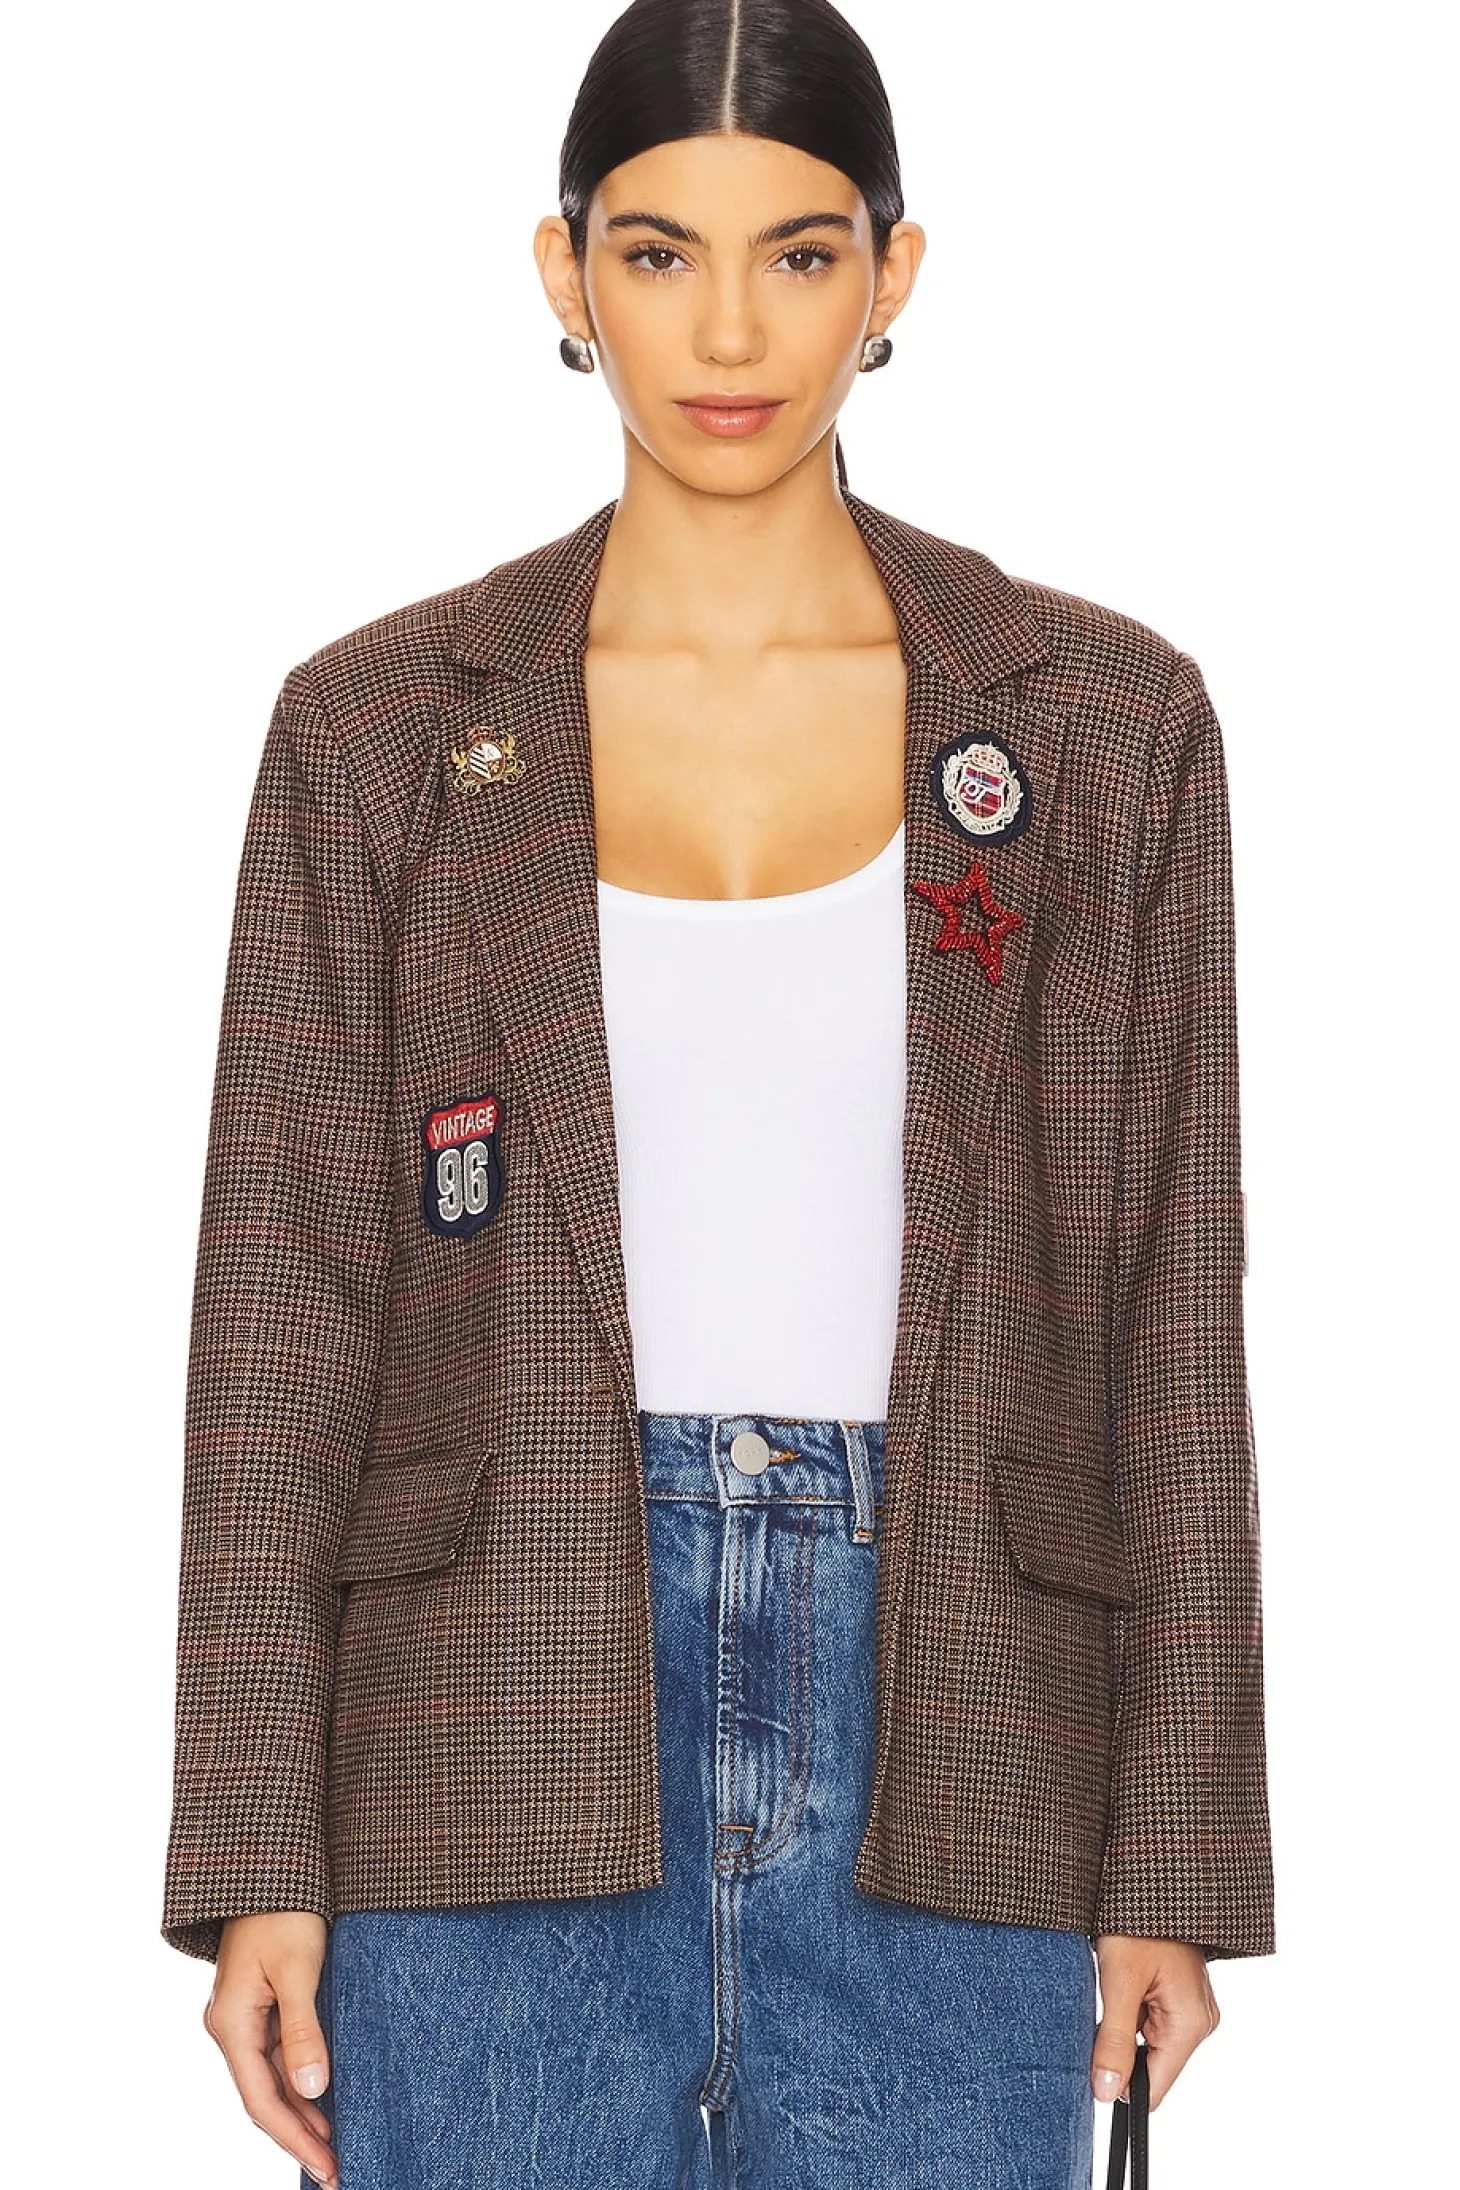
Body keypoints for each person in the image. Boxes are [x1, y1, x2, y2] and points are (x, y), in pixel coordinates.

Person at [161, 2, 1275, 2184]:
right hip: (482, 1731)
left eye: (802, 252)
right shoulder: (375, 731)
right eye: (660, 254)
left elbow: (1171, 1308)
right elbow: (280, 1319)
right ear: (565, 272)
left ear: (895, 271)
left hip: (962, 1734)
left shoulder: (1104, 728)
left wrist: (1176, 1849)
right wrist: (253, 1850)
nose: (732, 330)